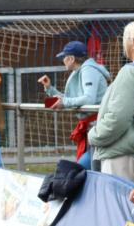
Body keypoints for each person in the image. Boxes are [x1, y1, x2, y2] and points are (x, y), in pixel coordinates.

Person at [88, 20, 134, 183]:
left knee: (117, 199)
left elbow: (118, 117)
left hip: (124, 156)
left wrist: (94, 135)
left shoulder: (130, 72)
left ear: (133, 42)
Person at [37, 40, 110, 168]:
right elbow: (71, 99)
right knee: (87, 169)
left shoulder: (88, 70)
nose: (63, 60)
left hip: (99, 127)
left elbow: (88, 99)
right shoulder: (81, 71)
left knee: (83, 170)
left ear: (71, 58)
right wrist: (50, 89)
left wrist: (64, 102)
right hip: (92, 127)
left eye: (64, 57)